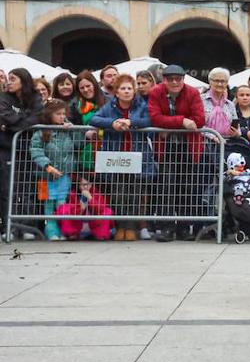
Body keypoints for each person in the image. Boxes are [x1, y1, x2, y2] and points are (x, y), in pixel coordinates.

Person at [148, 65, 206, 242]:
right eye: (170, 78)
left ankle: (183, 227)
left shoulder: (193, 93)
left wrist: (169, 125)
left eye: (178, 78)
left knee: (186, 188)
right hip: (165, 147)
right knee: (166, 187)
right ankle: (166, 227)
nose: (174, 82)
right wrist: (182, 120)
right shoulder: (155, 92)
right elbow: (155, 117)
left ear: (183, 79)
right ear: (164, 80)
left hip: (188, 147)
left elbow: (199, 120)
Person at [91, 74, 153, 241]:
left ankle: (131, 228)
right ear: (116, 92)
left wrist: (131, 122)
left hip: (137, 157)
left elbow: (150, 120)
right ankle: (120, 227)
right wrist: (113, 123)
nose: (126, 91)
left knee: (135, 194)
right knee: (119, 194)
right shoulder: (109, 107)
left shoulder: (142, 105)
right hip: (116, 158)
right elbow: (94, 119)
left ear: (134, 91)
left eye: (129, 88)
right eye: (122, 88)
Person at [30, 100, 79, 240]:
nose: (62, 116)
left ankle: (63, 230)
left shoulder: (68, 129)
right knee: (48, 203)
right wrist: (48, 166)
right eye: (58, 114)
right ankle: (51, 231)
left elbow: (80, 143)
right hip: (44, 176)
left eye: (64, 113)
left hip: (64, 175)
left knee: (61, 203)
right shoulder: (40, 132)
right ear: (49, 114)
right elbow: (36, 150)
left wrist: (74, 130)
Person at [0, 68, 45, 223]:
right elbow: (6, 117)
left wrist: (13, 125)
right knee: (7, 188)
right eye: (8, 79)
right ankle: (8, 226)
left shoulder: (35, 97)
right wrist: (22, 120)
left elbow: (37, 118)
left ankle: (28, 225)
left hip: (28, 149)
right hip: (7, 148)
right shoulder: (4, 97)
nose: (8, 82)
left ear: (23, 81)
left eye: (13, 79)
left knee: (28, 187)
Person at [202, 67, 237, 141]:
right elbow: (197, 125)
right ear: (210, 81)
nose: (220, 84)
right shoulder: (200, 100)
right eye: (216, 81)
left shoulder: (230, 104)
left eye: (223, 81)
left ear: (227, 83)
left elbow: (235, 126)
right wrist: (213, 136)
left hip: (226, 144)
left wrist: (236, 133)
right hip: (205, 144)